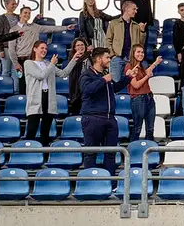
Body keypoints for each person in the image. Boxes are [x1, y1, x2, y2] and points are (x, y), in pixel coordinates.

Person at [80, 47, 137, 178]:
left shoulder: (104, 74)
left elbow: (114, 88)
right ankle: (90, 184)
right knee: (91, 153)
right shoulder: (87, 74)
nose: (109, 60)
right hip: (93, 118)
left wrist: (128, 77)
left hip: (110, 118)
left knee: (111, 153)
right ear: (98, 59)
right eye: (107, 57)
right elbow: (87, 90)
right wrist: (103, 80)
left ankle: (109, 183)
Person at [8, 6, 74, 95]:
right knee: (22, 84)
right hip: (21, 61)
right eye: (25, 13)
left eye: (29, 13)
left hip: (34, 59)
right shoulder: (14, 30)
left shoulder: (35, 27)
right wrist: (16, 64)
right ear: (20, 14)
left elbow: (50, 28)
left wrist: (66, 27)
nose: (27, 15)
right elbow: (11, 48)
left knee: (36, 82)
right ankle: (24, 105)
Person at [24, 40, 79, 146]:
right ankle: (26, 155)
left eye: (45, 48)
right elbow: (41, 75)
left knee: (45, 132)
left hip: (48, 98)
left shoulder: (48, 63)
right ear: (35, 49)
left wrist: (74, 59)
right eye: (42, 48)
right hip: (36, 99)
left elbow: (63, 73)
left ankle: (44, 155)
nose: (44, 50)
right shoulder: (28, 63)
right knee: (32, 130)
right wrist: (52, 64)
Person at [125, 44, 163, 141]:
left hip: (149, 97)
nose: (141, 54)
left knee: (150, 129)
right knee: (137, 128)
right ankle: (132, 152)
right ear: (133, 53)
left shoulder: (141, 66)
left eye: (142, 52)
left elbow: (147, 72)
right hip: (138, 99)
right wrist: (147, 77)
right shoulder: (129, 66)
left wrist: (155, 63)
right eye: (138, 52)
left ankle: (150, 152)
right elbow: (136, 85)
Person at [105, 1, 147, 82]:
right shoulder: (114, 23)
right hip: (117, 58)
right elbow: (108, 40)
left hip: (132, 59)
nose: (136, 11)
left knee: (132, 83)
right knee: (116, 83)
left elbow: (140, 44)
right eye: (134, 9)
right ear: (127, 9)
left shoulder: (136, 25)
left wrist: (142, 32)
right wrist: (112, 55)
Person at [0, 0, 19, 80]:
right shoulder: (1, 18)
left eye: (15, 4)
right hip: (6, 48)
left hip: (17, 48)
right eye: (13, 4)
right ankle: (5, 90)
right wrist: (1, 49)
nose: (15, 5)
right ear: (6, 5)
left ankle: (15, 91)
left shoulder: (18, 17)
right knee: (6, 71)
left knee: (16, 71)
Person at [68, 38, 92, 116]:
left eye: (82, 45)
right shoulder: (72, 57)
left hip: (88, 85)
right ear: (74, 48)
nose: (80, 47)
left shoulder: (90, 57)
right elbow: (75, 65)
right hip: (76, 87)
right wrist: (87, 53)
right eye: (78, 45)